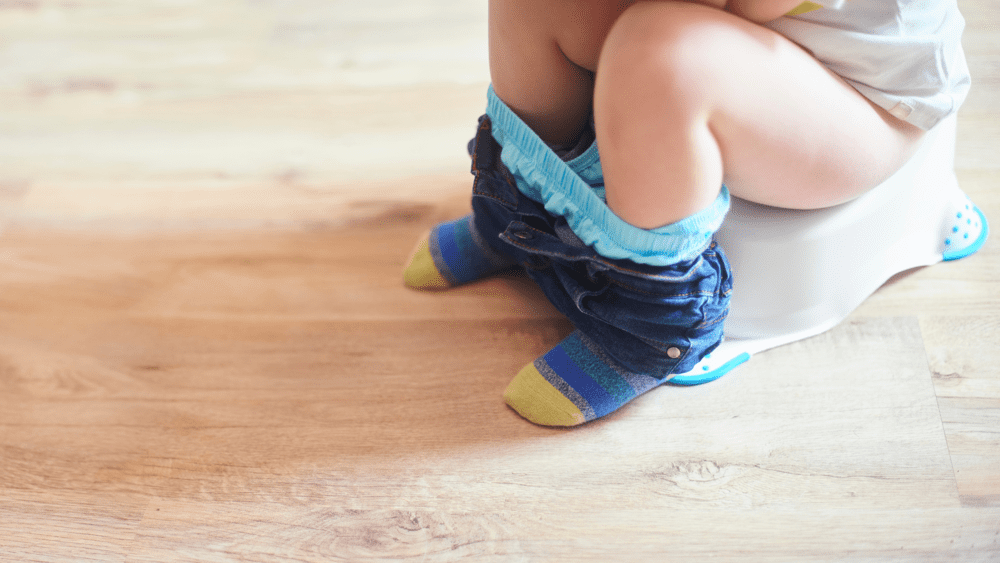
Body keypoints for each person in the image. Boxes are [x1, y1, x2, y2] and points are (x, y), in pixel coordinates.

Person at [403, 0, 971, 426]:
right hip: (774, 40)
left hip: (870, 95)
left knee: (663, 54)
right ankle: (519, 217)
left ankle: (645, 333)